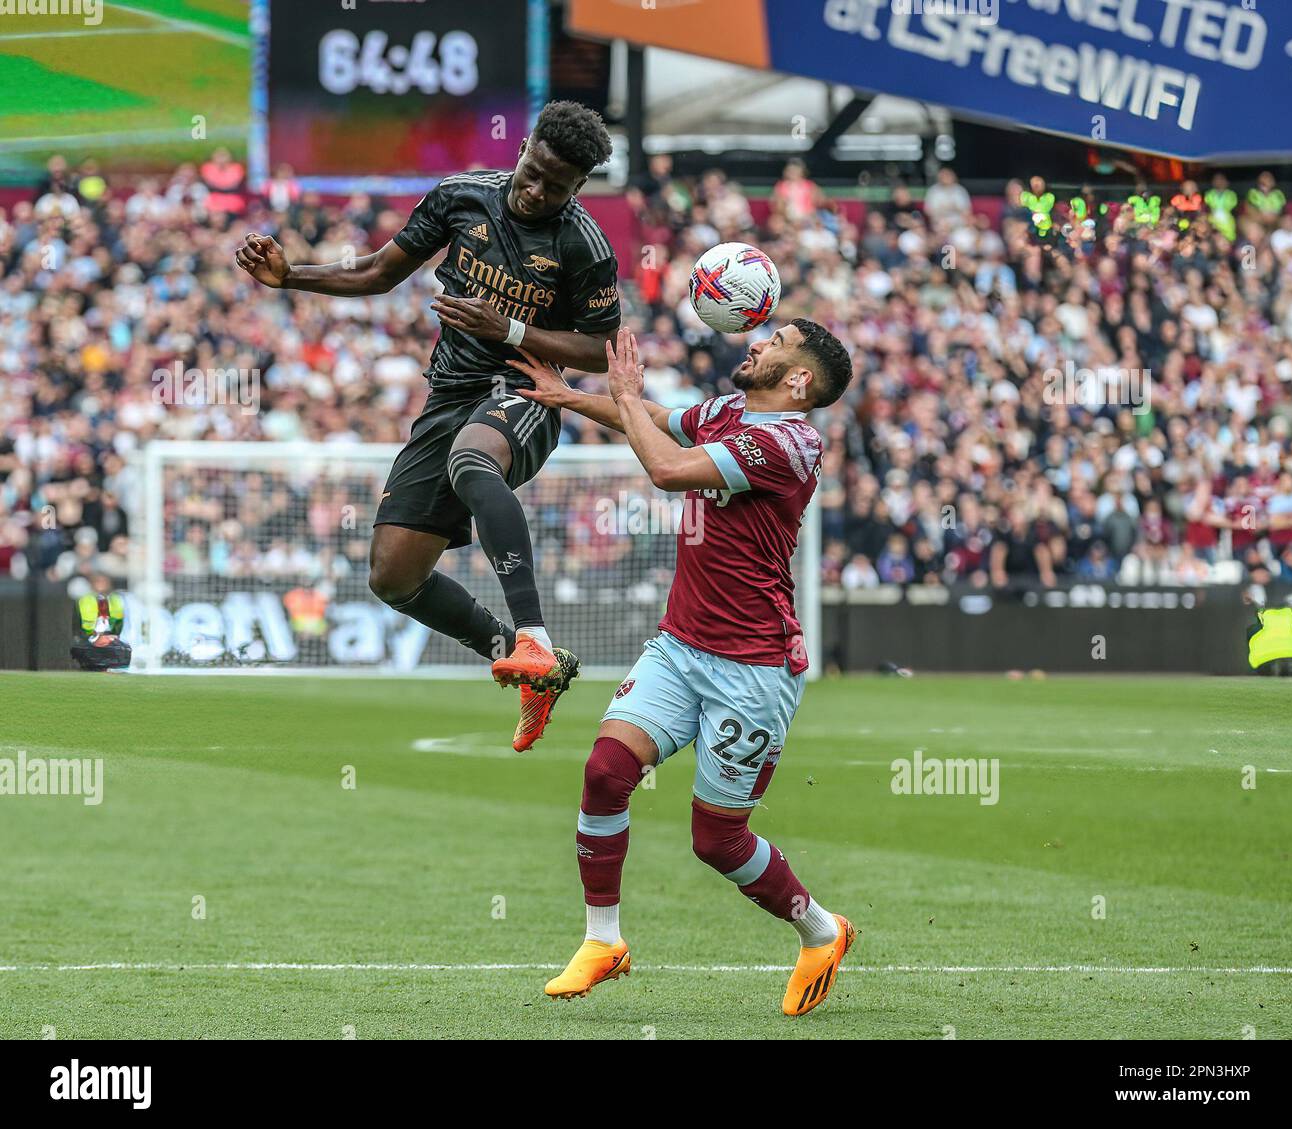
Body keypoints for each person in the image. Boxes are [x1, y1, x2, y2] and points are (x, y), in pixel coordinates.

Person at [235, 102, 621, 750]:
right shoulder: (462, 196)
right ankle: (525, 663)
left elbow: (605, 346)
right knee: (393, 576)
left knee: (474, 461)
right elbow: (382, 270)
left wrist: (513, 330)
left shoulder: (582, 245)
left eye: (555, 186)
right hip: (449, 394)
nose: (535, 190)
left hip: (528, 386)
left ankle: (534, 635)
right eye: (532, 171)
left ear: (578, 187)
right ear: (523, 147)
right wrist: (289, 275)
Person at [508, 320, 858, 1017]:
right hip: (681, 643)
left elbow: (667, 468)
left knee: (716, 839)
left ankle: (821, 929)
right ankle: (602, 939)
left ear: (800, 380)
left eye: (777, 340)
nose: (756, 341)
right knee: (605, 771)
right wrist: (570, 395)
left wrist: (627, 395)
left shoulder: (786, 443)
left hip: (754, 666)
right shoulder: (728, 413)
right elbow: (658, 420)